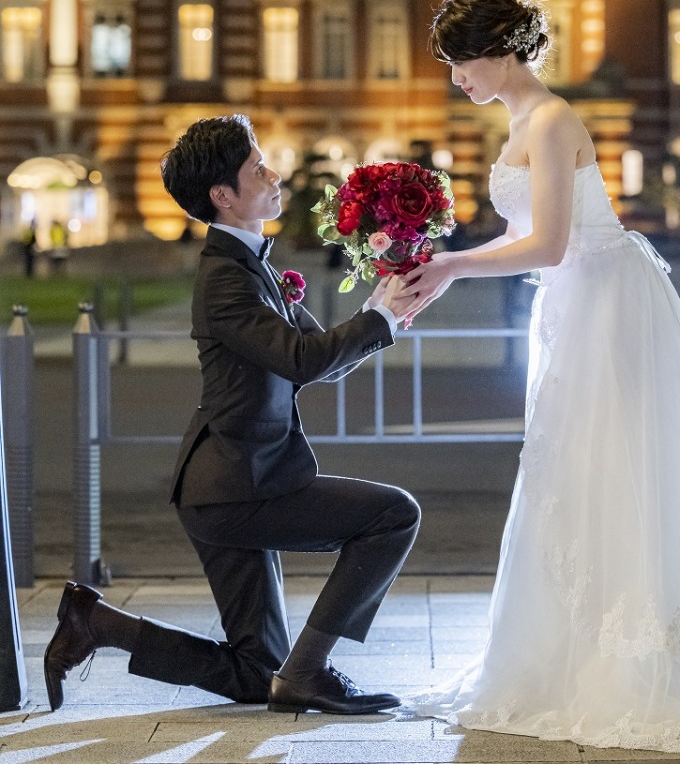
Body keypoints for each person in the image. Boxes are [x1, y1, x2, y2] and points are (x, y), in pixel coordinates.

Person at [404, 0, 680, 754]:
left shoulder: (551, 120)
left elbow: (549, 243)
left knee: (616, 468)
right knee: (575, 468)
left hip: (607, 302)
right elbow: (534, 242)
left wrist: (450, 265)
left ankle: (639, 651)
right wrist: (440, 264)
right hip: (576, 301)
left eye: (463, 61)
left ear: (506, 51)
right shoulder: (524, 119)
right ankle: (580, 645)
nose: (457, 78)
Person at [44, 114, 420, 715]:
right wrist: (385, 319)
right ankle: (311, 670)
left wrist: (385, 307)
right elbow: (302, 359)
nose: (273, 176)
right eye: (257, 168)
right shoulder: (225, 278)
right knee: (393, 516)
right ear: (223, 195)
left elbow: (322, 361)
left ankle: (97, 623)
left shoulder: (253, 266)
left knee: (255, 673)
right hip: (237, 489)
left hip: (230, 485)